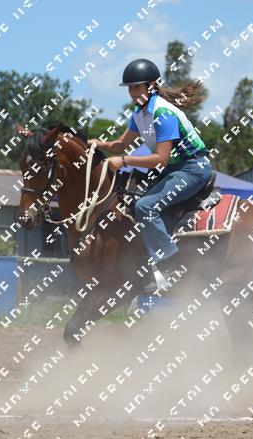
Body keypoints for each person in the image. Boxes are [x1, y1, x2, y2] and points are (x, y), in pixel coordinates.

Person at [87, 58, 212, 292]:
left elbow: (160, 159)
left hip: (193, 168)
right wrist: (98, 144)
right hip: (176, 169)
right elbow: (120, 144)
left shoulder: (162, 113)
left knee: (145, 206)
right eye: (130, 88)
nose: (132, 93)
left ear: (151, 86)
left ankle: (171, 267)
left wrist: (124, 161)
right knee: (131, 201)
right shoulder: (140, 113)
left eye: (136, 87)